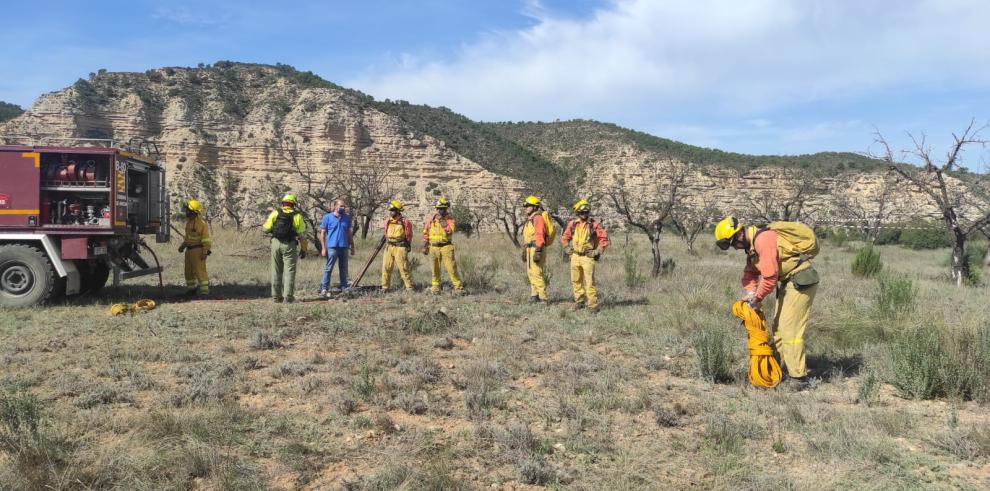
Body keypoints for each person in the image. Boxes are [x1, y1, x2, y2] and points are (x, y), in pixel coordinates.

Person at [715, 216, 820, 389]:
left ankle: (798, 378)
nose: (734, 247)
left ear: (739, 234)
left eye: (733, 243)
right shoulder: (752, 247)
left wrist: (757, 299)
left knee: (790, 329)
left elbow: (770, 278)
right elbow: (749, 274)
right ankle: (776, 369)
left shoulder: (763, 240)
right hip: (789, 282)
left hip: (801, 280)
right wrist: (750, 293)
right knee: (778, 327)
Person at [561, 200, 609, 312]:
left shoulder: (594, 225)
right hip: (575, 256)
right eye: (582, 212)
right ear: (577, 212)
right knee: (576, 280)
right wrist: (567, 249)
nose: (584, 214)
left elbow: (604, 240)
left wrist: (596, 252)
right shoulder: (572, 224)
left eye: (586, 212)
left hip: (588, 257)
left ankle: (592, 306)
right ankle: (579, 301)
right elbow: (564, 238)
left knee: (589, 282)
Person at [263, 193, 308, 303]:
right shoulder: (297, 216)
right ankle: (288, 297)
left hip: (275, 243)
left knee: (276, 270)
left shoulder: (275, 213)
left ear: (283, 203)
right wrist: (304, 249)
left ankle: (276, 297)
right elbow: (302, 236)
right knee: (290, 271)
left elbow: (265, 229)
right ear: (293, 204)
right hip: (289, 244)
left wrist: (275, 229)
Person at [421, 197, 464, 295]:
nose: (441, 210)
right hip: (433, 247)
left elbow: (450, 231)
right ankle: (436, 287)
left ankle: (458, 288)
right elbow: (425, 233)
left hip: (446, 246)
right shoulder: (431, 220)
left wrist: (442, 221)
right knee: (434, 268)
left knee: (451, 268)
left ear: (446, 209)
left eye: (443, 209)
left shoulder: (450, 219)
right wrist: (424, 246)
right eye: (439, 208)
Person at [319, 199, 355, 297]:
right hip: (332, 247)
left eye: (344, 206)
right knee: (329, 268)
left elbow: (349, 233)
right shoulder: (327, 217)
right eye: (341, 206)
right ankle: (324, 288)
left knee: (343, 268)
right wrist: (323, 248)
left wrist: (352, 246)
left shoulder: (346, 218)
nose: (343, 208)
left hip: (344, 247)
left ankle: (344, 287)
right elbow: (322, 233)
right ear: (335, 206)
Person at [178, 199, 211, 296]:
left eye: (188, 210)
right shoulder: (188, 223)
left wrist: (205, 252)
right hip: (189, 251)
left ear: (193, 211)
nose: (186, 212)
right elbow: (188, 238)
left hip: (198, 251)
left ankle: (205, 291)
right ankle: (191, 290)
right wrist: (182, 247)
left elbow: (206, 240)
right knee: (188, 272)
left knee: (200, 271)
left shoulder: (202, 224)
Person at [521, 195, 551, 303]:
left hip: (536, 248)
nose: (526, 208)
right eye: (525, 206)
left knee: (537, 273)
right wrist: (525, 249)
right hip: (530, 249)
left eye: (528, 206)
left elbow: (539, 235)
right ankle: (534, 295)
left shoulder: (537, 218)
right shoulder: (530, 219)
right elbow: (528, 237)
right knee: (530, 273)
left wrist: (538, 251)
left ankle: (543, 297)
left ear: (534, 207)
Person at [381, 200, 414, 292]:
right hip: (389, 246)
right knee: (386, 267)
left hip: (400, 247)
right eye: (390, 210)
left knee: (403, 268)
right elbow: (386, 233)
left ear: (398, 211)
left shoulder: (405, 222)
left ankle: (409, 287)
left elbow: (409, 235)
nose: (391, 212)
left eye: (393, 210)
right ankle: (385, 287)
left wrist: (407, 246)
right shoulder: (388, 221)